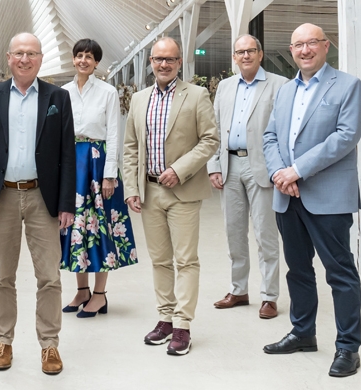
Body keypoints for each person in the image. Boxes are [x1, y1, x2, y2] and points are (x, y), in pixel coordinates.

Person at [259, 23, 361, 378]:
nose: (305, 50)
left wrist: (297, 170)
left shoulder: (348, 86)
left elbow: (345, 137)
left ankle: (348, 347)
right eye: (298, 45)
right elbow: (271, 135)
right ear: (291, 50)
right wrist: (279, 173)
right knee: (299, 270)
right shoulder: (285, 91)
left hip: (328, 197)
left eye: (312, 43)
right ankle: (303, 333)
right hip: (287, 196)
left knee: (340, 272)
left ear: (326, 46)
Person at [0, 32, 75, 375]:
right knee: (3, 275)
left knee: (49, 276)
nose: (25, 59)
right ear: (8, 57)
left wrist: (66, 204)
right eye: (19, 53)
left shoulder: (57, 97)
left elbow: (66, 155)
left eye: (31, 53)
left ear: (41, 59)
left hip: (41, 197)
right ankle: (3, 341)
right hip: (2, 196)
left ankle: (49, 346)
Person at [122, 37, 219, 356]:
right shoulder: (139, 99)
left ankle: (182, 326)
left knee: (186, 260)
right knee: (160, 260)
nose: (163, 65)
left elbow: (210, 139)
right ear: (150, 62)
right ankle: (164, 318)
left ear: (179, 63)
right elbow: (131, 147)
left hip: (183, 191)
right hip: (149, 192)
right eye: (158, 59)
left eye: (170, 59)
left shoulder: (197, 95)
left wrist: (180, 169)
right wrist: (132, 188)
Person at [207, 35, 288, 320]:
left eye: (250, 51)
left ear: (260, 54)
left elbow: (283, 131)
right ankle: (239, 290)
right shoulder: (225, 87)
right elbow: (214, 128)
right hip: (229, 167)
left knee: (266, 234)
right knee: (234, 233)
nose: (245, 56)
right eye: (240, 52)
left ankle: (269, 296)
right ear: (234, 56)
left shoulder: (279, 85)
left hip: (262, 168)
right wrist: (213, 165)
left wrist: (280, 169)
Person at [59, 38, 137, 318]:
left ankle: (100, 294)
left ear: (96, 62)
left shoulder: (107, 92)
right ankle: (82, 290)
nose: (83, 60)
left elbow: (115, 134)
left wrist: (110, 175)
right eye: (79, 55)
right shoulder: (62, 92)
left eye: (89, 57)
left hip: (97, 161)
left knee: (100, 226)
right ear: (73, 59)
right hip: (71, 163)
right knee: (74, 226)